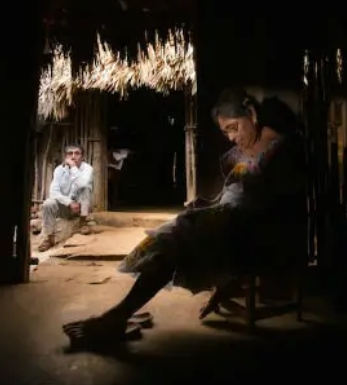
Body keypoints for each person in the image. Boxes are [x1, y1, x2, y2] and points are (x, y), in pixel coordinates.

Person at [62, 88, 307, 346]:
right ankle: (120, 314)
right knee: (169, 236)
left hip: (250, 232)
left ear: (252, 114)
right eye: (226, 132)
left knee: (174, 236)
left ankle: (118, 316)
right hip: (228, 220)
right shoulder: (240, 152)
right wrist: (208, 205)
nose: (232, 137)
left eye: (234, 128)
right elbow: (233, 192)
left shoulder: (281, 149)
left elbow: (278, 208)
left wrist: (224, 216)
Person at [38, 144, 94, 252]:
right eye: (70, 153)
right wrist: (69, 202)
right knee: (48, 204)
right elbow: (53, 192)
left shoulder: (88, 168)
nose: (73, 156)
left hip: (80, 207)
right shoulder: (59, 170)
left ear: (82, 157)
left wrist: (73, 167)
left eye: (77, 153)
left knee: (85, 188)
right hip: (65, 207)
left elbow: (82, 184)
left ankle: (83, 222)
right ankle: (48, 238)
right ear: (65, 156)